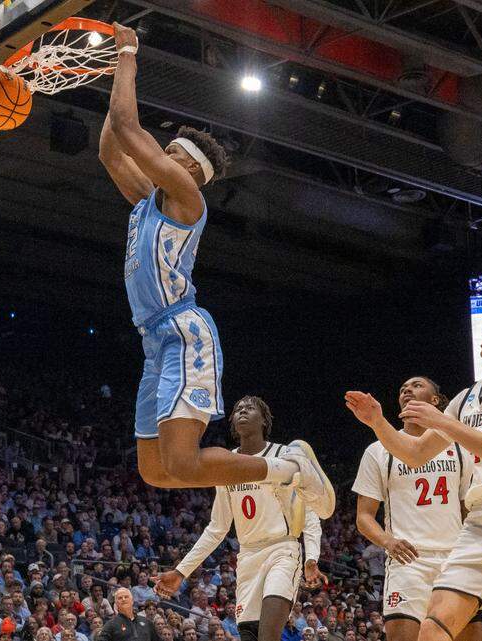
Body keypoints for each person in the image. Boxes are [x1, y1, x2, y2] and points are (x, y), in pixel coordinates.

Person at [98, 22, 334, 515]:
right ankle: (270, 472)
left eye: (172, 154)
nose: (161, 156)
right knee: (155, 471)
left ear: (189, 171)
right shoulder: (149, 202)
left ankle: (286, 468)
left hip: (185, 335)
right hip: (154, 342)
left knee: (182, 464)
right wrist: (110, 69)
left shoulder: (187, 198)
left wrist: (127, 54)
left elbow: (127, 128)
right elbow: (110, 148)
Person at [345, 306, 482, 641]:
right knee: (432, 629)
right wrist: (377, 421)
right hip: (477, 523)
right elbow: (414, 454)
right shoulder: (467, 398)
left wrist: (442, 421)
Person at [154, 397, 326, 641]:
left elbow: (309, 511)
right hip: (247, 557)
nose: (242, 411)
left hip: (282, 550)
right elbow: (217, 528)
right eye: (237, 409)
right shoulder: (226, 464)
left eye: (250, 408)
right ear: (233, 423)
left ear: (264, 420)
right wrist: (181, 571)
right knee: (249, 635)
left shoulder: (284, 454)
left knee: (268, 635)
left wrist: (311, 558)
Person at [350, 377, 482, 641]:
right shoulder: (377, 450)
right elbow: (364, 516)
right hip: (407, 562)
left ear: (435, 401)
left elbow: (469, 507)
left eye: (417, 385)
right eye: (402, 389)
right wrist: (388, 541)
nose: (407, 390)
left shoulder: (459, 447)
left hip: (455, 559)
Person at [94, 589, 160, 641]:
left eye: (126, 597)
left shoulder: (147, 622)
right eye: (120, 598)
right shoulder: (111, 624)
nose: (123, 599)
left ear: (132, 601)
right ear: (116, 604)